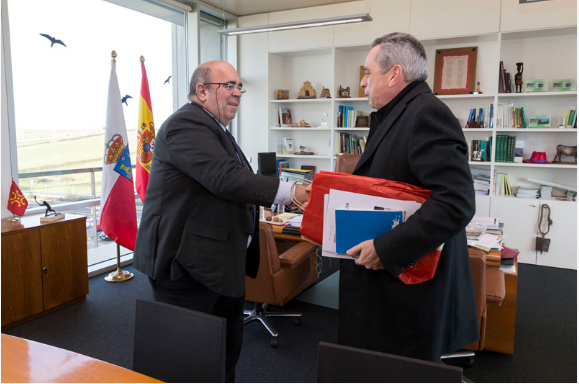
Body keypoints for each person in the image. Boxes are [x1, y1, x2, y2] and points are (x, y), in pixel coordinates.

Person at [133, 60, 307, 382]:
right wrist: (291, 192)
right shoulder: (184, 126)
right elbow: (224, 178)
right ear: (201, 91)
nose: (238, 93)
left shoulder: (216, 130)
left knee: (224, 355)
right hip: (185, 266)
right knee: (190, 363)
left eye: (240, 87)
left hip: (219, 263)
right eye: (229, 86)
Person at [338, 32, 480, 362]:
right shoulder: (400, 113)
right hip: (392, 282)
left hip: (408, 287)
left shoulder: (425, 114)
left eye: (367, 72)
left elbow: (455, 202)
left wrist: (386, 248)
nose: (362, 82)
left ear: (394, 74)